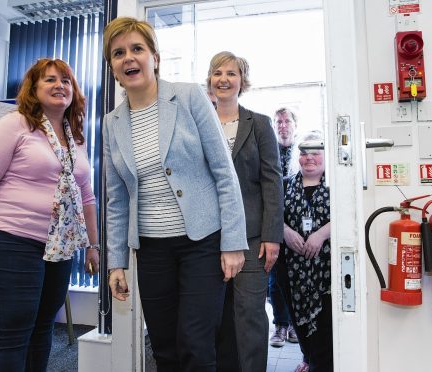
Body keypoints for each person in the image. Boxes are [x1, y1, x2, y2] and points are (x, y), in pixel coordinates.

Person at [102, 17, 248, 372]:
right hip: (151, 250)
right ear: (113, 68)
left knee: (196, 346)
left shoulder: (188, 96)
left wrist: (232, 242)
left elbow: (223, 172)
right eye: (118, 53)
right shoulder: (112, 123)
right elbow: (116, 199)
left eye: (137, 48)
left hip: (201, 242)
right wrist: (116, 261)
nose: (128, 58)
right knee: (165, 348)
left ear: (154, 57)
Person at [0, 58, 100, 371]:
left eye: (65, 81)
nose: (59, 86)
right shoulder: (15, 125)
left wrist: (93, 245)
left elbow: (87, 197)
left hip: (59, 246)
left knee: (42, 330)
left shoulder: (75, 140)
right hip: (10, 238)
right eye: (49, 80)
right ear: (33, 89)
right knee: (12, 332)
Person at [208, 51, 284, 372]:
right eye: (217, 73)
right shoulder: (200, 123)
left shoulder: (260, 124)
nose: (224, 79)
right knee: (215, 319)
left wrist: (272, 236)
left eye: (231, 73)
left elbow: (272, 182)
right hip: (207, 238)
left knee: (250, 318)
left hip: (253, 239)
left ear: (242, 81)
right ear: (210, 81)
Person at [280, 130, 332, 372]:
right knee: (297, 314)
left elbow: (348, 213)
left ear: (326, 155)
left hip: (326, 269)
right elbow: (269, 214)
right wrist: (285, 232)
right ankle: (308, 357)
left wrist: (321, 234)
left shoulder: (336, 185)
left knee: (324, 320)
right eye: (304, 153)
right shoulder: (284, 185)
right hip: (292, 268)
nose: (309, 158)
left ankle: (320, 363)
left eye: (316, 153)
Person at [269, 107, 299, 347]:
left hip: (299, 224)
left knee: (296, 277)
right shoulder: (269, 151)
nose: (282, 125)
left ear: (294, 125)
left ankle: (294, 325)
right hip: (274, 222)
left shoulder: (302, 154)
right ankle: (280, 326)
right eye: (278, 121)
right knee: (276, 278)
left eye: (286, 121)